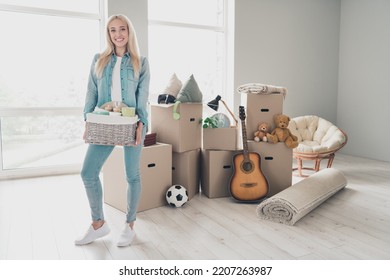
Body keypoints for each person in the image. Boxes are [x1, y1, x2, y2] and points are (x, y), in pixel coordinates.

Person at [75, 14, 150, 247]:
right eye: (112, 30)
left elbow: (142, 98)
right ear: (108, 34)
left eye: (122, 29)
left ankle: (129, 226)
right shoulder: (99, 60)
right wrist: (88, 121)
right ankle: (98, 224)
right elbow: (91, 93)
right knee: (88, 172)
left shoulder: (141, 62)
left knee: (132, 175)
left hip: (131, 123)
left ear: (129, 32)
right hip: (104, 122)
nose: (118, 34)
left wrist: (142, 126)